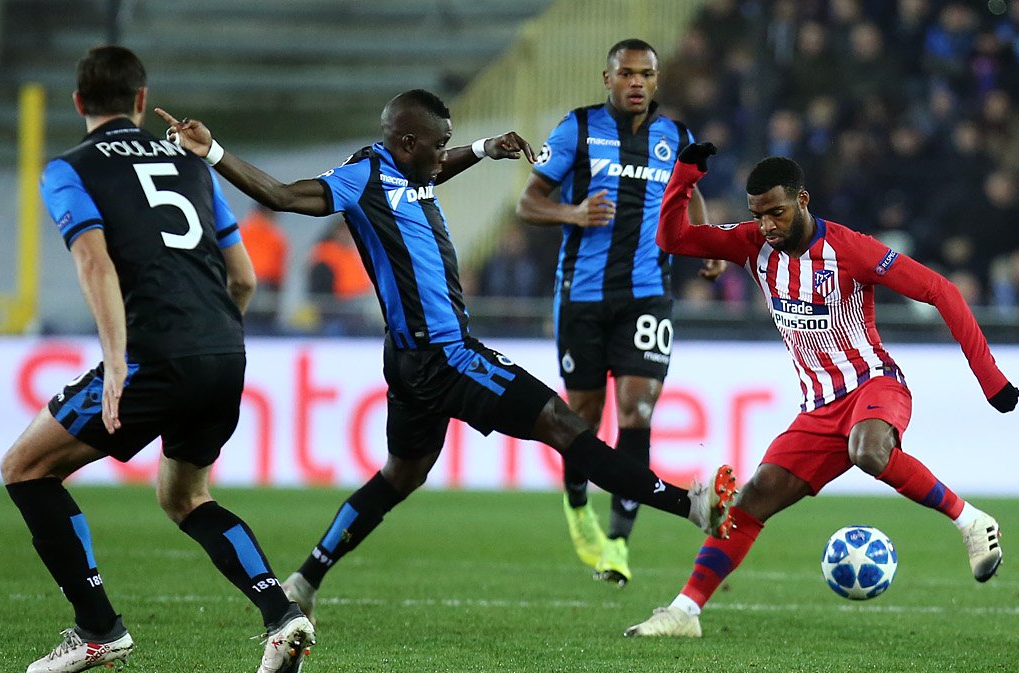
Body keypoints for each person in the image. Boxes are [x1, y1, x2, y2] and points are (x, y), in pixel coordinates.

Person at [155, 89, 738, 624]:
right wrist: (214, 152)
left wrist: (483, 149)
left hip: (410, 363)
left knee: (400, 474)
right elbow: (283, 196)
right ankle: (688, 506)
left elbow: (436, 165)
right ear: (407, 143)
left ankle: (306, 579)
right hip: (446, 356)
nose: (442, 156)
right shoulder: (364, 177)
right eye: (437, 144)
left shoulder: (412, 169)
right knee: (564, 424)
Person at [0, 45, 313, 673]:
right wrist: (214, 339)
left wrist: (117, 362)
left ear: (79, 103)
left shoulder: (70, 168)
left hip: (153, 356)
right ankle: (282, 616)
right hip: (224, 352)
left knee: (25, 468)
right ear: (142, 102)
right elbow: (245, 277)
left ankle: (98, 630)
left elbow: (94, 261)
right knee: (186, 496)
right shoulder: (192, 164)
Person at [624, 144, 1019, 638]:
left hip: (875, 384)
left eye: (777, 212)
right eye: (758, 215)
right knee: (752, 501)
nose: (767, 225)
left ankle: (970, 521)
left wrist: (991, 380)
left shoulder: (851, 249)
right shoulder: (751, 244)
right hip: (817, 409)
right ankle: (685, 612)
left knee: (869, 451)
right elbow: (674, 237)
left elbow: (941, 290)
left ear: (803, 201)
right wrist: (685, 175)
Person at [515, 38, 724, 586]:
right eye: (626, 74)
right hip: (580, 297)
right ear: (606, 79)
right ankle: (578, 505)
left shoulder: (675, 137)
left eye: (646, 74)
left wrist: (704, 244)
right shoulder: (576, 130)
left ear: (657, 81)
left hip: (648, 294)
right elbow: (528, 201)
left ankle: (618, 541)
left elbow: (690, 192)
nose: (637, 83)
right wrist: (574, 212)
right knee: (580, 417)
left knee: (637, 410)